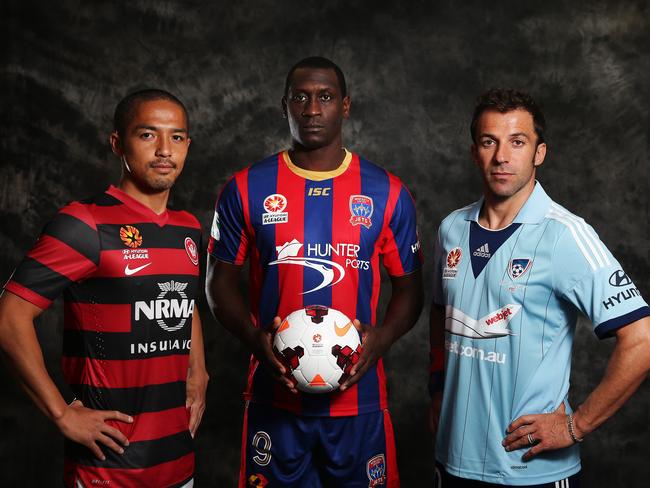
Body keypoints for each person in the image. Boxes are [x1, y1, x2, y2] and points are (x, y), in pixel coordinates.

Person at [206, 56, 423, 487]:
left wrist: (380, 340)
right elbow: (217, 285)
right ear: (284, 105)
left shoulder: (387, 192)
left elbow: (411, 291)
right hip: (275, 400)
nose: (311, 108)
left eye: (325, 97)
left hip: (357, 403)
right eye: (300, 98)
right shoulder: (246, 187)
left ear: (345, 106)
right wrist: (255, 340)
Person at [429, 88, 650, 487]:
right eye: (488, 141)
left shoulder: (565, 235)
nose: (501, 156)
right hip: (453, 460)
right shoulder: (451, 230)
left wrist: (574, 426)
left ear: (539, 153)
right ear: (473, 152)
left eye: (517, 142)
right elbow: (440, 314)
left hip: (531, 471)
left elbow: (642, 339)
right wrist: (436, 393)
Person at [0, 89, 208, 487]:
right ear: (118, 144)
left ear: (187, 145)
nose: (165, 149)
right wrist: (62, 413)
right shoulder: (84, 224)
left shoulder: (188, 227)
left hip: (179, 463)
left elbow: (184, 300)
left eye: (177, 137)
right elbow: (10, 316)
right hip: (108, 471)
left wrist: (199, 372)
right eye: (148, 135)